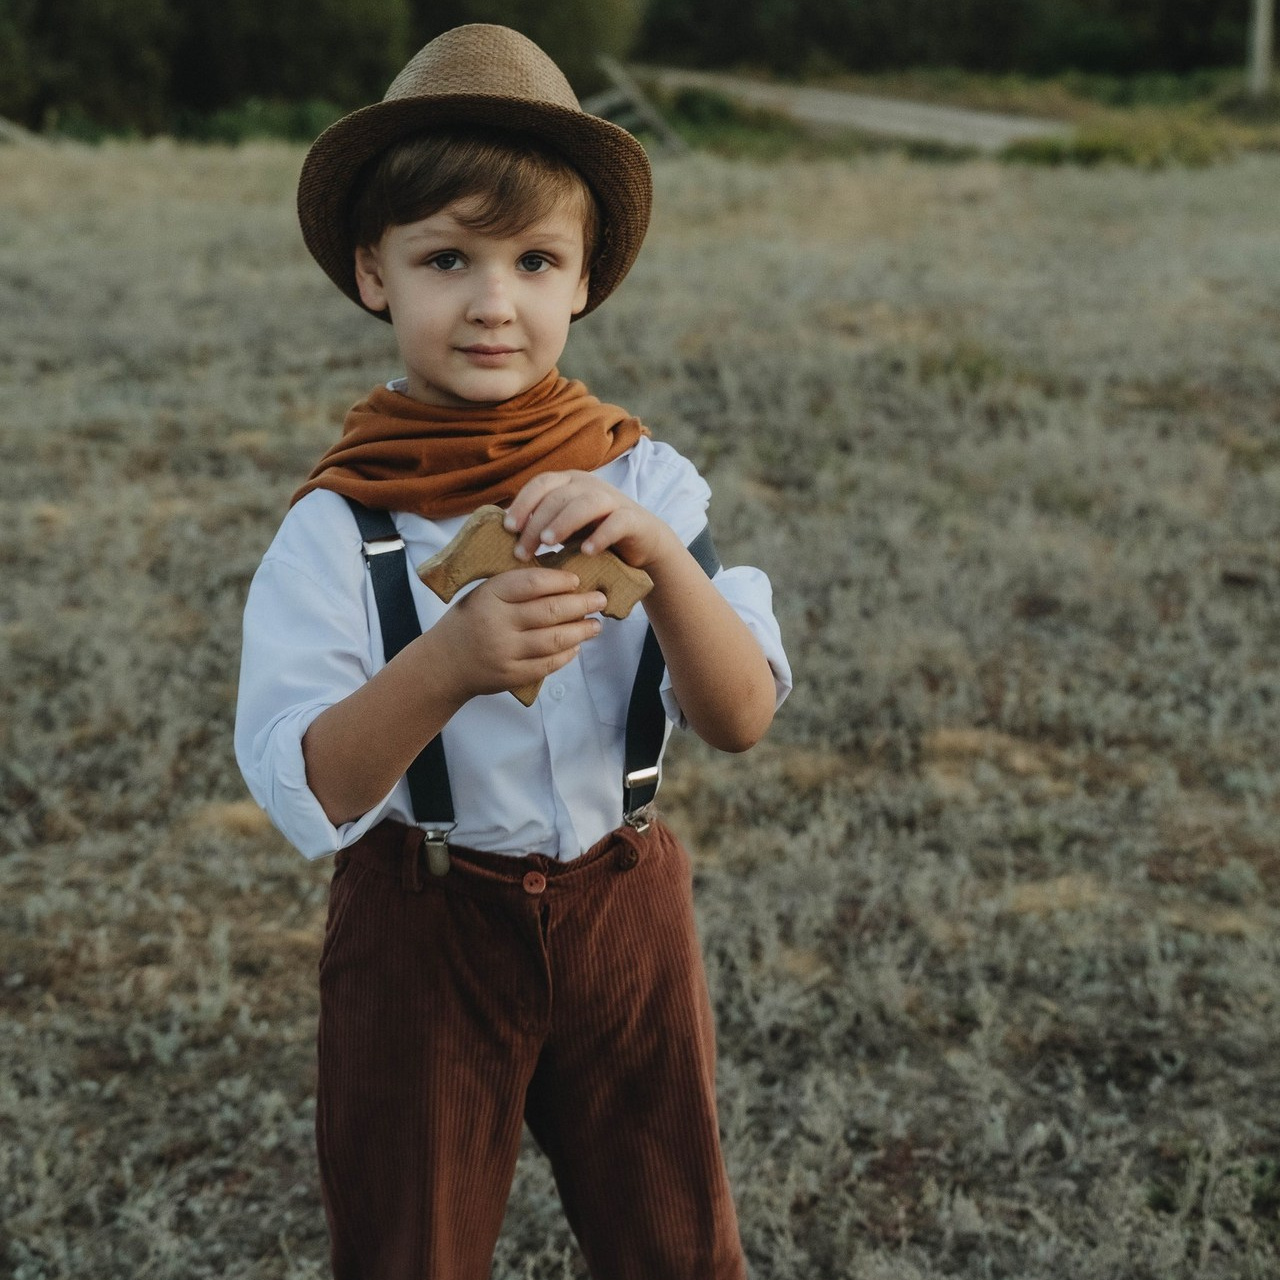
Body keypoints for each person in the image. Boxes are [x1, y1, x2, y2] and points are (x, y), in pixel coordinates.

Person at [234, 23, 791, 1280]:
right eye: (447, 259)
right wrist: (449, 661)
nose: (495, 300)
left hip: (626, 903)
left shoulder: (638, 477)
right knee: (409, 1245)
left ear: (584, 279)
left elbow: (740, 712)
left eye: (535, 259)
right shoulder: (341, 524)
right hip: (423, 923)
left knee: (673, 1238)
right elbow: (308, 786)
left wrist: (660, 557)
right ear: (375, 273)